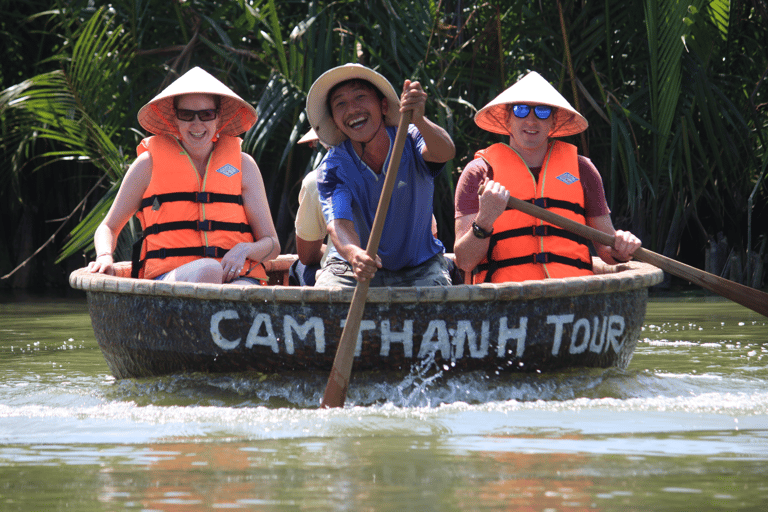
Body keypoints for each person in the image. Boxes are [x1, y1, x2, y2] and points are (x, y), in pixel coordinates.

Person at [87, 67, 280, 284]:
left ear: (218, 118)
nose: (197, 124)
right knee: (209, 270)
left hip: (238, 278)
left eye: (206, 114)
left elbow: (272, 245)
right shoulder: (147, 164)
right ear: (175, 120)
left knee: (243, 290)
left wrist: (244, 250)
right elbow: (108, 227)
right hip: (171, 279)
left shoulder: (245, 165)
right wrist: (104, 255)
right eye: (186, 115)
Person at [454, 71, 641, 284]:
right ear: (508, 118)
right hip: (504, 298)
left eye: (542, 112)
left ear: (553, 121)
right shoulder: (478, 173)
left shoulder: (583, 170)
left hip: (571, 292)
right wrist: (485, 220)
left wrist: (623, 246)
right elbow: (465, 262)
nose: (531, 120)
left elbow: (608, 251)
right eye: (521, 110)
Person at [306, 63, 456, 287]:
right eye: (340, 104)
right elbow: (339, 224)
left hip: (420, 265)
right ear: (335, 122)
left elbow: (446, 151)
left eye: (360, 97)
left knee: (436, 306)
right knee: (328, 301)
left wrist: (420, 120)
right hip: (354, 267)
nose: (352, 109)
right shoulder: (333, 167)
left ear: (384, 106)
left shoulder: (411, 137)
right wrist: (355, 254)